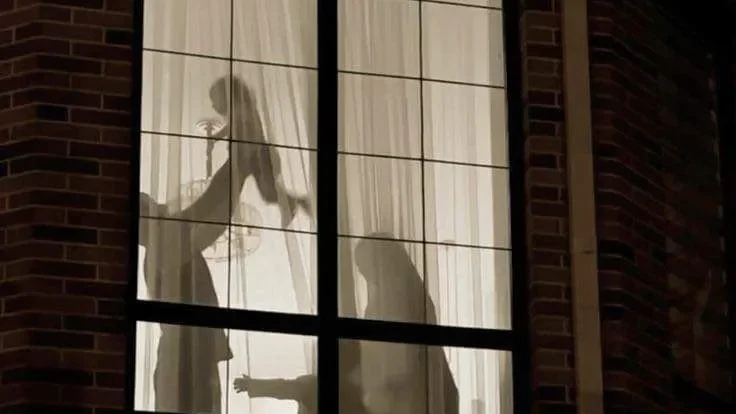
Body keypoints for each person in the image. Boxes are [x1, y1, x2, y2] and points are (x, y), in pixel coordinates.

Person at [139, 77, 269, 413]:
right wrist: (240, 163)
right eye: (153, 206)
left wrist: (239, 163)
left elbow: (211, 208)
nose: (163, 206)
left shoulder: (162, 246)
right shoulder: (167, 243)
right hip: (186, 364)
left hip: (186, 361)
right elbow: (212, 206)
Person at [208, 75, 311, 228]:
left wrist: (217, 137)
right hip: (253, 156)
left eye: (215, 100)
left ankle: (294, 203)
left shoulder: (242, 108)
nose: (213, 106)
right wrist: (217, 137)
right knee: (268, 194)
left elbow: (236, 125)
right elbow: (233, 126)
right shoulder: (239, 111)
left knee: (266, 192)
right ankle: (294, 203)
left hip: (258, 155)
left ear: (227, 95)